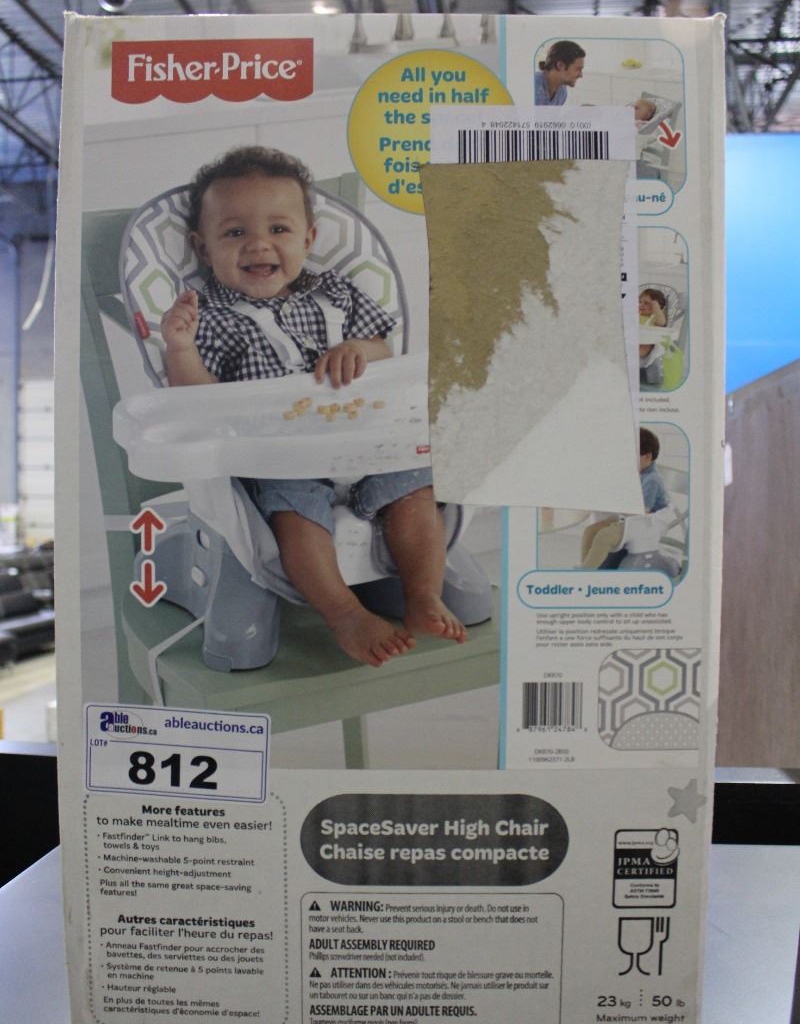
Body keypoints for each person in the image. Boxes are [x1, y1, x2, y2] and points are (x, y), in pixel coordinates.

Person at [161, 145, 466, 668]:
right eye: (235, 232)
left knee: (416, 487)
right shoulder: (206, 315)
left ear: (308, 239)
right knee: (295, 516)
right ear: (203, 248)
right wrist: (180, 349)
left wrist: (359, 350)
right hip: (281, 456)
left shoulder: (336, 294)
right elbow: (198, 401)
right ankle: (344, 613)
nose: (259, 244)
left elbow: (383, 350)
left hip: (365, 439)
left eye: (279, 229)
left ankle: (422, 594)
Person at [580, 428, 669, 569]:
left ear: (647, 457)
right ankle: (585, 568)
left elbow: (641, 511)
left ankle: (586, 571)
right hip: (627, 518)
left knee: (603, 537)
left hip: (643, 523)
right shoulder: (638, 473)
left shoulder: (652, 480)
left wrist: (616, 504)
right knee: (589, 531)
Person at [534, 41, 586, 105]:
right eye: (578, 69)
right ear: (560, 65)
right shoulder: (535, 86)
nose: (581, 75)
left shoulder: (562, 91)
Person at [639, 286, 669, 385]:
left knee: (643, 346)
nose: (641, 305)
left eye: (646, 303)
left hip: (647, 349)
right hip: (634, 342)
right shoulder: (637, 315)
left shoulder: (654, 318)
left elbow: (662, 322)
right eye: (640, 302)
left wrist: (657, 309)